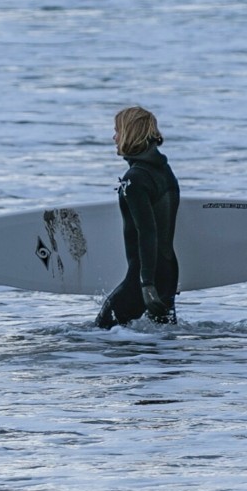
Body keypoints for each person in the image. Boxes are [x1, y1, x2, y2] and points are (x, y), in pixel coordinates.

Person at [95, 106, 180, 329]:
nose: (114, 138)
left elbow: (147, 232)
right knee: (161, 348)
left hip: (144, 278)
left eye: (118, 131)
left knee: (99, 335)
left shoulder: (135, 179)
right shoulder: (163, 170)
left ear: (130, 134)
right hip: (168, 271)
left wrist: (146, 284)